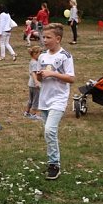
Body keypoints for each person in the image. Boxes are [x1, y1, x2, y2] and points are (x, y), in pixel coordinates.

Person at [34, 23, 75, 180]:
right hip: (44, 99)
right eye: (43, 37)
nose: (44, 40)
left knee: (50, 130)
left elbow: (71, 78)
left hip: (58, 99)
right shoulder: (43, 56)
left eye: (48, 37)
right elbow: (39, 77)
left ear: (58, 39)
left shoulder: (65, 56)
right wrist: (39, 75)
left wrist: (53, 74)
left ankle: (54, 164)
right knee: (49, 132)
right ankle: (53, 160)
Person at [23, 45, 42, 120]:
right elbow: (33, 73)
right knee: (36, 99)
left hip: (31, 84)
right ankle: (34, 114)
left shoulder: (32, 61)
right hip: (35, 84)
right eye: (39, 54)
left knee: (31, 99)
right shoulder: (35, 63)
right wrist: (36, 82)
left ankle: (27, 112)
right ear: (34, 54)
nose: (41, 56)